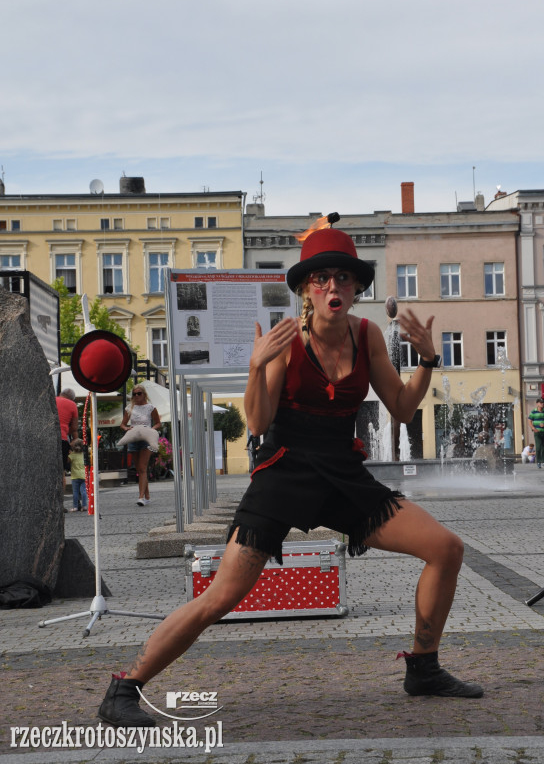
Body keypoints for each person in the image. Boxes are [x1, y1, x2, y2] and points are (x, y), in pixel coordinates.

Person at [98, 225, 483, 729]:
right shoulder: (284, 342)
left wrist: (428, 360)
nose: (332, 288)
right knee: (222, 595)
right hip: (284, 472)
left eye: (343, 279)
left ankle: (424, 669)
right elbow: (256, 423)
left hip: (343, 474)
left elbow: (403, 408)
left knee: (446, 548)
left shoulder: (366, 337)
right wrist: (256, 368)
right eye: (321, 278)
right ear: (306, 289)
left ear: (355, 289)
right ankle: (124, 689)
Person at [120, 385, 161, 506]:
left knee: (143, 468)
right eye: (134, 394)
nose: (136, 396)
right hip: (133, 438)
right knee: (139, 469)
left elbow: (158, 423)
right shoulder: (130, 408)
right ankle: (147, 495)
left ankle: (141, 497)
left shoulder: (150, 408)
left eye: (139, 393)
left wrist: (151, 430)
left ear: (144, 394)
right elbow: (122, 424)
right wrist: (127, 428)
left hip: (146, 439)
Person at [55, 388, 79, 491]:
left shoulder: (53, 399)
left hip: (48, 439)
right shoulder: (73, 405)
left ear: (61, 394)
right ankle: (60, 501)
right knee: (61, 473)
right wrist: (65, 430)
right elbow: (74, 428)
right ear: (72, 399)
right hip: (62, 440)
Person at [68, 438, 88, 512]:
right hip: (83, 475)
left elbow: (68, 461)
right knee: (83, 492)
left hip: (75, 476)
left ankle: (75, 507)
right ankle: (84, 506)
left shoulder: (72, 455)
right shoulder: (83, 454)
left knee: (75, 492)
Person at [528, 399, 544, 468]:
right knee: (538, 447)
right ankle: (538, 461)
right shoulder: (533, 412)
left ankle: (543, 461)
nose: (542, 404)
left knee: (543, 447)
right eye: (541, 403)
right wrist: (533, 428)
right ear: (537, 403)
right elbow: (529, 421)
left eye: (543, 403)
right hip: (537, 432)